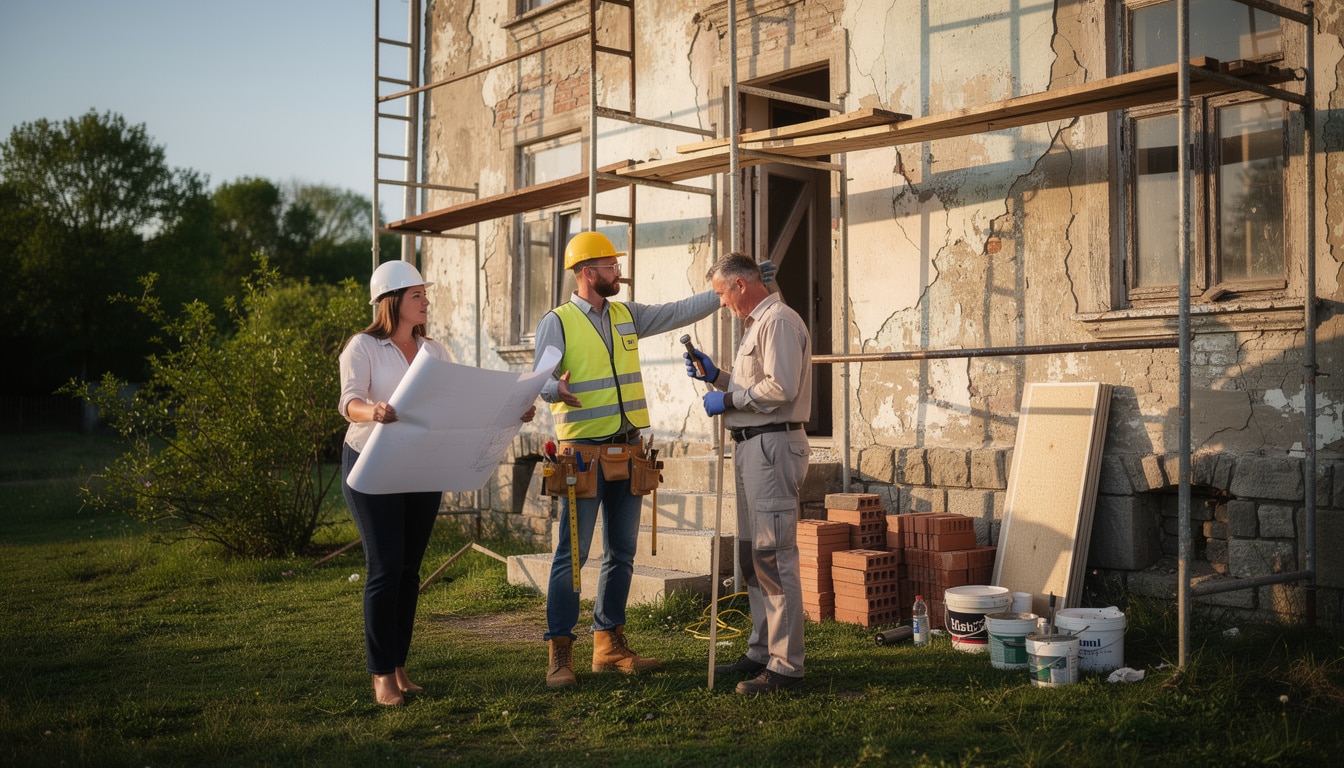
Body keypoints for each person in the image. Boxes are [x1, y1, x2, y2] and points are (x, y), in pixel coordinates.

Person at [534, 231, 733, 688]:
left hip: (628, 451)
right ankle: (560, 653)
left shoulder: (626, 314)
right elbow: (538, 380)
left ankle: (608, 644)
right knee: (572, 555)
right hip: (582, 458)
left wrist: (721, 293)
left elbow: (677, 311)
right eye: (610, 266)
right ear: (588, 273)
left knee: (622, 552)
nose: (618, 271)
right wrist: (553, 389)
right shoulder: (558, 321)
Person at [339, 260, 535, 705]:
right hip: (371, 462)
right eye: (417, 295)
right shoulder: (363, 347)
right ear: (392, 300)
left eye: (426, 294)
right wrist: (374, 411)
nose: (427, 301)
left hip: (422, 464)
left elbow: (460, 406)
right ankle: (381, 676)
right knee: (385, 568)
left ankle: (400, 667)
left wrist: (513, 411)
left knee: (409, 572)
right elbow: (349, 402)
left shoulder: (436, 351)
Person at [684, 252, 812, 694]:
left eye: (721, 293)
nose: (720, 303)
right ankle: (762, 649)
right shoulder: (754, 325)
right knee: (752, 557)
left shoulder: (777, 320)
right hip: (751, 448)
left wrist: (730, 402)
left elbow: (780, 388)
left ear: (741, 285)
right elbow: (751, 387)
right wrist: (717, 376)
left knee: (774, 557)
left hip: (773, 446)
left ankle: (786, 666)